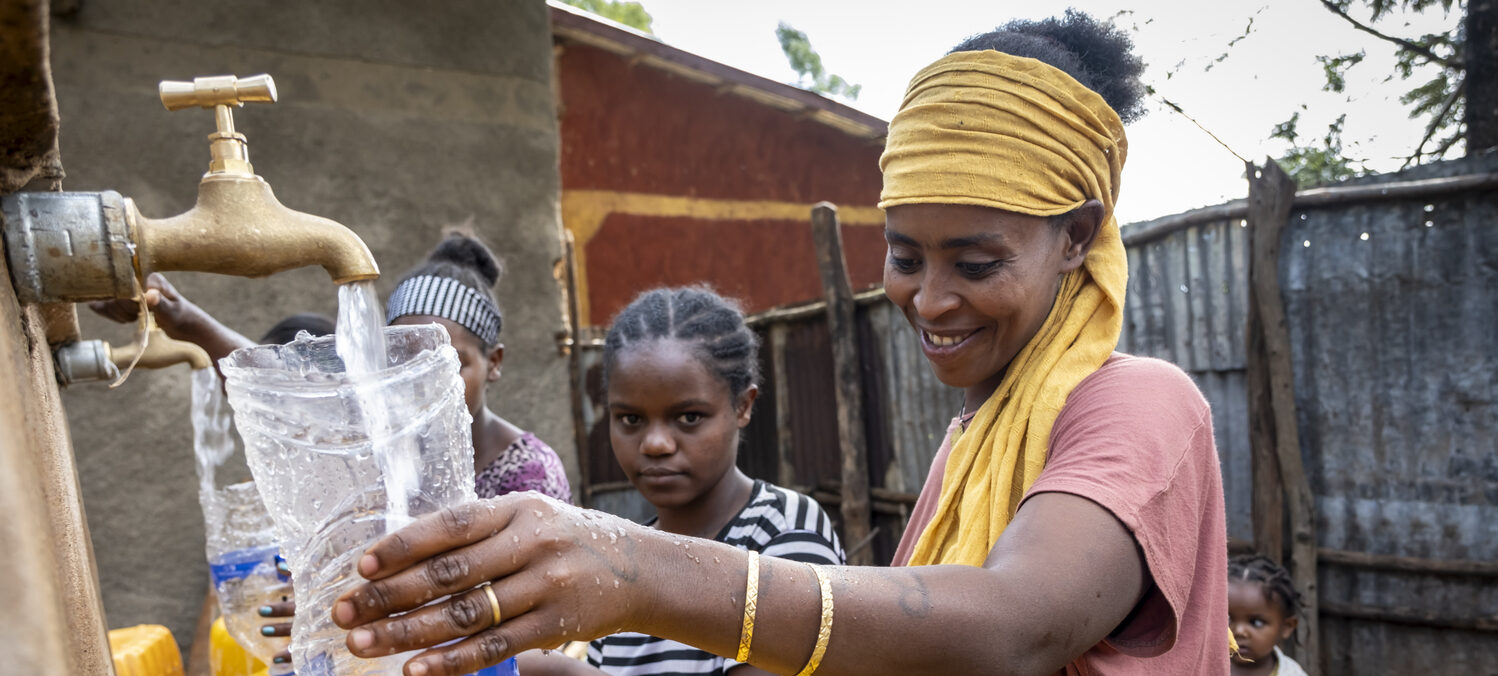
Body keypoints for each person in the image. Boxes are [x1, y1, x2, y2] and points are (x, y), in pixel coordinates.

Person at [329, 11, 1231, 675]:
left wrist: (635, 567)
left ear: (1076, 236)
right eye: (906, 254)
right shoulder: (978, 439)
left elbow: (1016, 627)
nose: (931, 297)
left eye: (978, 261)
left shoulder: (1142, 405)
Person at [520, 287, 844, 676]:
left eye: (689, 417)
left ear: (743, 406)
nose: (656, 444)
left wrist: (559, 671)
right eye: (631, 419)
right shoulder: (619, 558)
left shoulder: (786, 529)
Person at [1229, 555, 1306, 676]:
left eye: (1256, 623)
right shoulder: (1197, 667)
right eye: (1227, 620)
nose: (1238, 631)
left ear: (1287, 626)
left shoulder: (1293, 673)